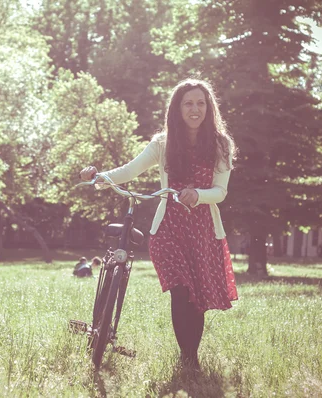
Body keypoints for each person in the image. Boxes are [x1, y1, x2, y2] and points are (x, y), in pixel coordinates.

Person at [79, 78, 238, 369]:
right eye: (188, 103)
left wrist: (198, 195)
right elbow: (129, 170)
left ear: (209, 107)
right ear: (177, 108)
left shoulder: (220, 145)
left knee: (196, 297)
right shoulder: (163, 144)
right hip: (167, 230)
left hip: (203, 230)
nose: (195, 109)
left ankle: (190, 358)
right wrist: (99, 177)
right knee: (180, 290)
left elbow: (221, 192)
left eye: (201, 103)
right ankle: (187, 355)